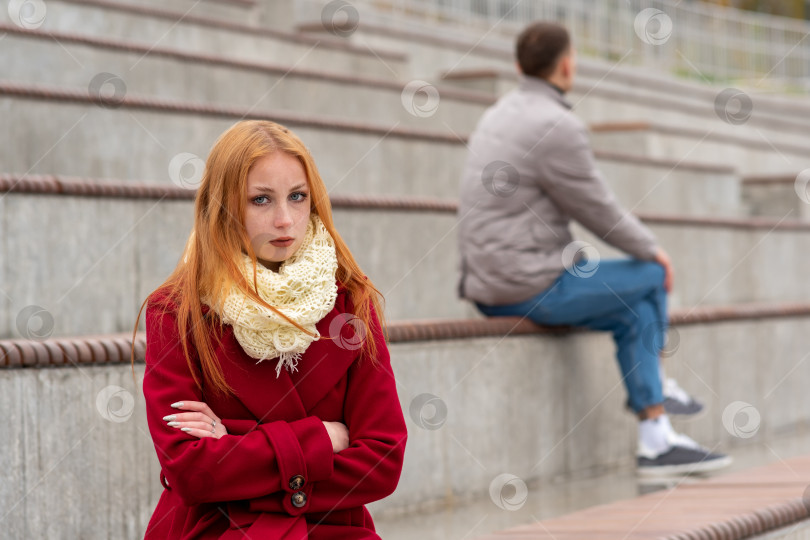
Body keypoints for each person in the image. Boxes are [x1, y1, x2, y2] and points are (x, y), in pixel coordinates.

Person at [456, 22, 730, 476]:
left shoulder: (498, 112)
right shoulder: (555, 125)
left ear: (520, 65)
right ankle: (657, 397)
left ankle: (656, 439)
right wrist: (655, 251)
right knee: (648, 276)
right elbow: (599, 209)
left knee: (633, 310)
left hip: (489, 282)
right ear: (566, 64)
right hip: (526, 283)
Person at [132, 120, 407, 538]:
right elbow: (191, 472)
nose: (285, 220)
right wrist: (321, 438)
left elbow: (382, 462)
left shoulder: (351, 302)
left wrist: (236, 443)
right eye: (261, 200)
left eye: (297, 197)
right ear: (222, 206)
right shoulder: (175, 312)